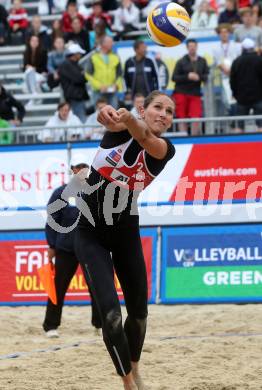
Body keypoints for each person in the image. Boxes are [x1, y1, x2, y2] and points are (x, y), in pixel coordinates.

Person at [74, 91, 176, 390]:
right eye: (158, 107)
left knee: (140, 314)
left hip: (125, 231)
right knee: (111, 315)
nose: (163, 115)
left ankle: (135, 365)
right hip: (90, 232)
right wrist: (105, 111)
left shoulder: (165, 149)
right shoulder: (119, 129)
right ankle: (128, 382)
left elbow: (145, 139)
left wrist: (129, 116)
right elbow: (112, 118)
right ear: (144, 109)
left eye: (169, 112)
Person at [43, 159, 102, 338]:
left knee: (97, 287)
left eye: (85, 169)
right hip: (65, 248)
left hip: (89, 248)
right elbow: (52, 220)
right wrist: (52, 245)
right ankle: (51, 326)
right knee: (58, 287)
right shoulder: (61, 193)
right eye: (78, 168)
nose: (82, 172)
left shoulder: (94, 192)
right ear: (73, 171)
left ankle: (99, 324)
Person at [172, 38, 209, 135]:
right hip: (181, 92)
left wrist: (199, 77)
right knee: (181, 117)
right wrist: (187, 76)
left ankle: (194, 137)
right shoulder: (181, 61)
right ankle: (183, 136)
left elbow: (207, 75)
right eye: (190, 46)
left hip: (195, 93)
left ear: (197, 47)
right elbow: (174, 77)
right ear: (187, 48)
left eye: (194, 46)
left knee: (195, 116)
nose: (192, 48)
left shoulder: (202, 61)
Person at [230, 38, 262, 132]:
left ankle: (238, 145)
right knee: (261, 126)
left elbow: (232, 81)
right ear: (253, 48)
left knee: (239, 126)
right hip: (258, 97)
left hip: (241, 98)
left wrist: (235, 94)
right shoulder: (259, 60)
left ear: (242, 48)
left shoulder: (237, 61)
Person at [85, 35, 123, 108]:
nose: (112, 44)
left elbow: (120, 74)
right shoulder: (93, 57)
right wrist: (99, 86)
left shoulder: (115, 56)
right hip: (98, 92)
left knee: (113, 115)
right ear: (103, 44)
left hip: (112, 91)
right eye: (110, 42)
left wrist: (116, 85)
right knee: (99, 115)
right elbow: (88, 74)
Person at [213, 24, 241, 114]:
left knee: (237, 98)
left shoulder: (236, 45)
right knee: (227, 100)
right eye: (222, 32)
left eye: (226, 32)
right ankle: (232, 119)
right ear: (219, 34)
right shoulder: (216, 48)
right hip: (224, 77)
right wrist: (225, 70)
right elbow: (218, 62)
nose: (224, 34)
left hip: (236, 76)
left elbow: (238, 59)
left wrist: (233, 71)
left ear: (229, 33)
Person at [59, 43, 88, 123]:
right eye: (79, 53)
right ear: (75, 54)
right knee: (79, 120)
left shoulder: (71, 64)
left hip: (76, 96)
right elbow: (80, 78)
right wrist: (83, 75)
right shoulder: (67, 65)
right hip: (75, 97)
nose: (80, 55)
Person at [23, 35, 48, 104]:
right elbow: (24, 66)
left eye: (36, 41)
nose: (34, 42)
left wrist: (34, 68)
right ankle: (36, 97)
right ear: (29, 42)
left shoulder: (43, 52)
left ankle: (33, 98)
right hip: (29, 74)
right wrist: (27, 67)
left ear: (39, 42)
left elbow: (44, 68)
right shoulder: (26, 52)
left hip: (40, 74)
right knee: (29, 72)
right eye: (32, 40)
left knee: (32, 79)